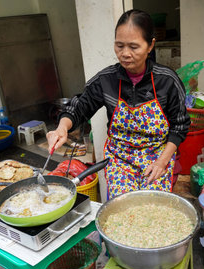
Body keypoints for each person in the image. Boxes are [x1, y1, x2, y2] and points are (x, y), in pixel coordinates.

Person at [46, 9, 190, 199]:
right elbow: (79, 106)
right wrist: (62, 128)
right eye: (119, 45)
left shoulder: (167, 81)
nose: (125, 54)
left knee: (154, 212)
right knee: (123, 212)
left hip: (157, 159)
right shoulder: (106, 80)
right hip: (120, 161)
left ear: (150, 45)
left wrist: (162, 162)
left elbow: (180, 126)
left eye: (134, 46)